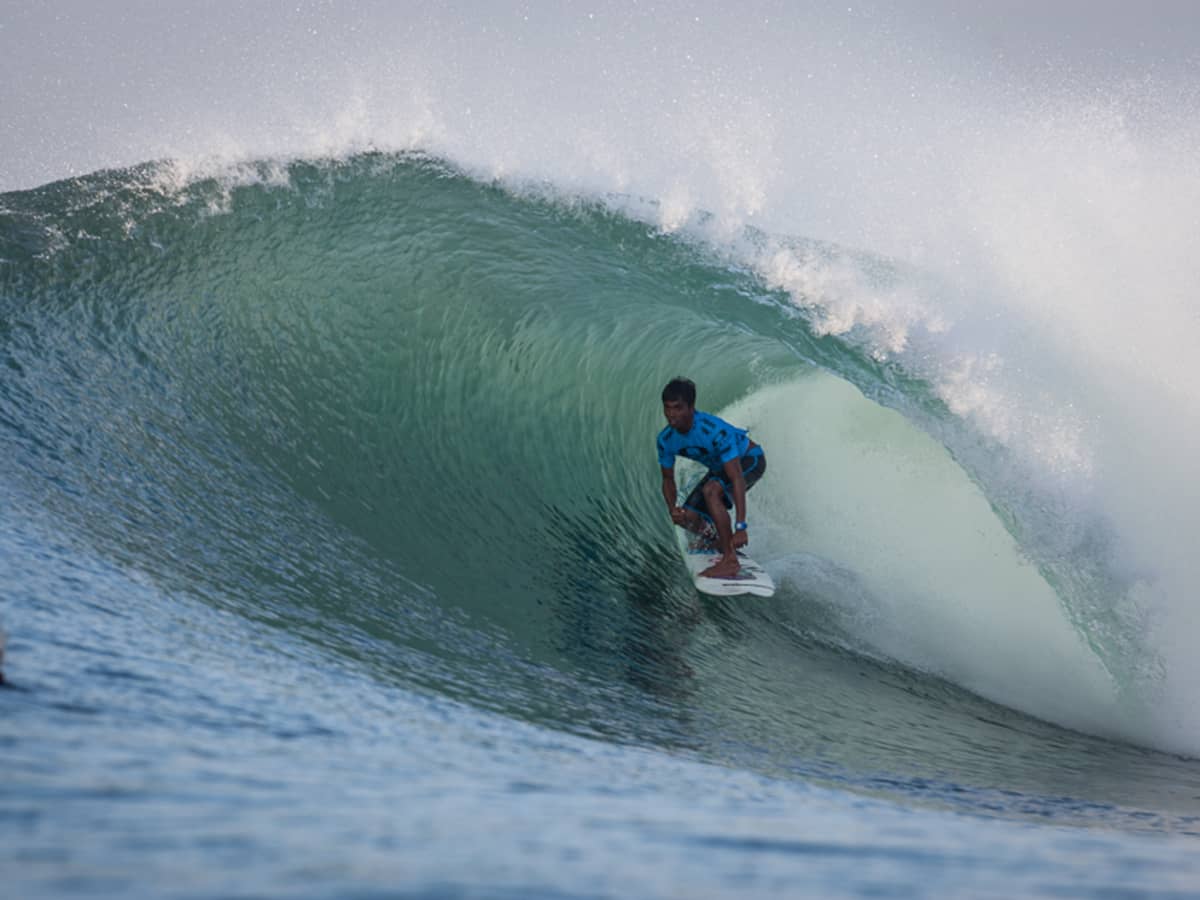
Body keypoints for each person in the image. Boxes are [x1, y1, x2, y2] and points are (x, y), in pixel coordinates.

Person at [657, 377, 766, 579]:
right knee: (687, 519)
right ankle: (717, 539)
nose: (671, 415)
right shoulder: (665, 439)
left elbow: (736, 478)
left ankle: (730, 560)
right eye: (667, 408)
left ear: (691, 407)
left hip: (750, 460)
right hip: (720, 468)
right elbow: (667, 479)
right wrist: (673, 509)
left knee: (711, 490)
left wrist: (741, 526)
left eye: (678, 408)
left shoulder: (713, 431)